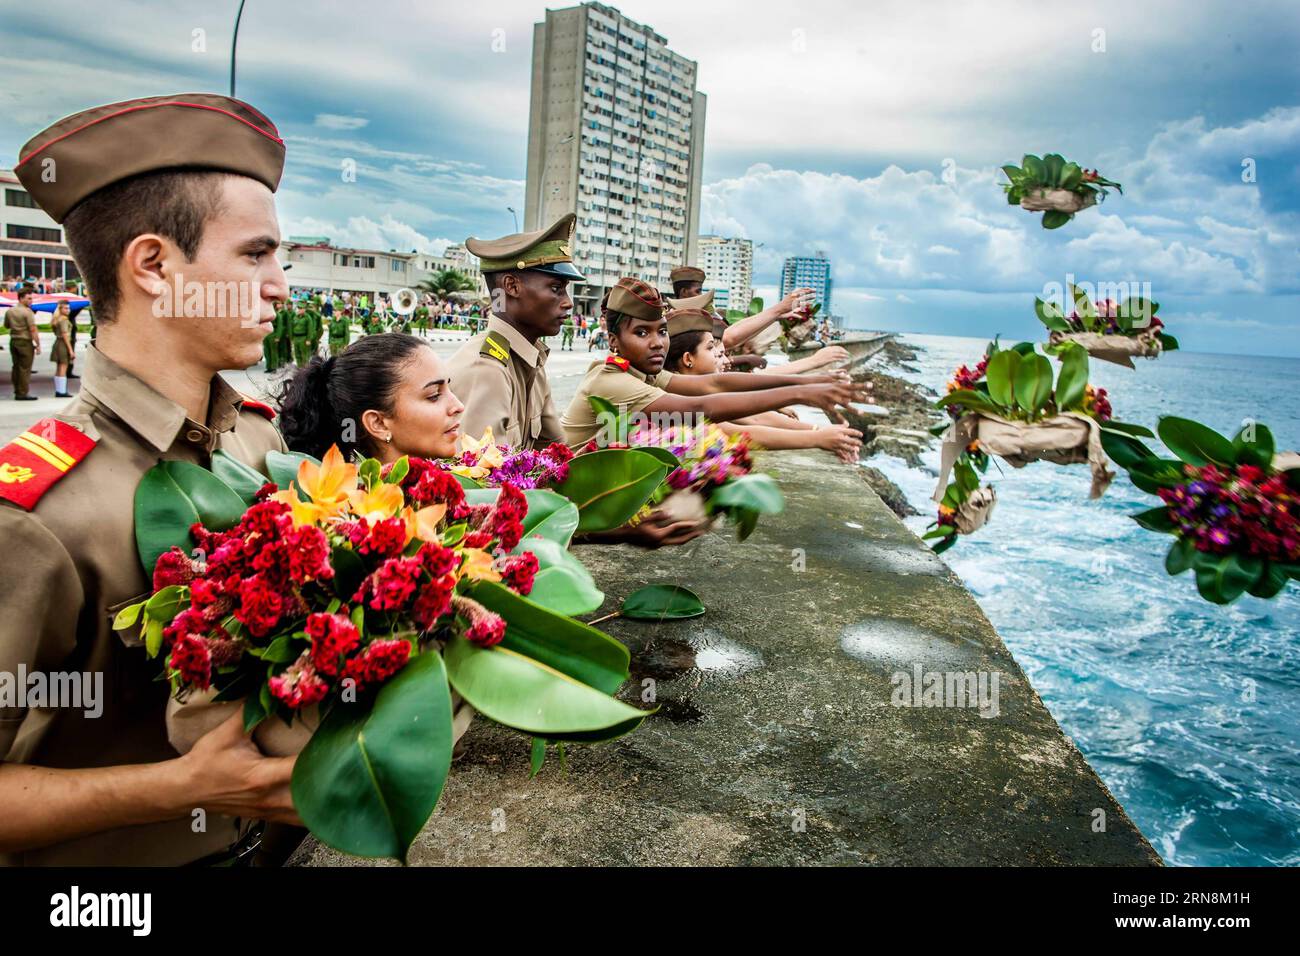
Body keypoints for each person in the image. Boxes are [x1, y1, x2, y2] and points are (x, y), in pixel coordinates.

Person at [0, 92, 300, 866]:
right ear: (155, 266)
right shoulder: (36, 509)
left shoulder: (257, 438)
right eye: (255, 255)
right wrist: (180, 790)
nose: (281, 287)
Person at [560, 278, 870, 449]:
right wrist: (802, 396)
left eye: (662, 331)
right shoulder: (614, 381)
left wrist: (808, 384)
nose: (656, 342)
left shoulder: (641, 374)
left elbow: (714, 384)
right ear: (613, 340)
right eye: (641, 333)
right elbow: (706, 409)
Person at [444, 213, 580, 450]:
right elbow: (478, 481)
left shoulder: (531, 361)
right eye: (556, 288)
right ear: (512, 286)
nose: (568, 302)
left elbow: (559, 455)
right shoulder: (487, 370)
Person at [664, 307, 862, 462]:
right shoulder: (673, 394)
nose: (722, 359)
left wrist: (817, 430)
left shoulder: (688, 385)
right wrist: (817, 437)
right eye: (712, 350)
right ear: (688, 359)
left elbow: (753, 414)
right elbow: (739, 431)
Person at [4, 286, 40, 400]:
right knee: (25, 368)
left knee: (16, 367)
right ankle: (23, 392)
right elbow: (33, 329)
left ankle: (17, 390)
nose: (31, 301)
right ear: (21, 298)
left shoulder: (10, 311)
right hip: (25, 341)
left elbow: (6, 325)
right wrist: (37, 344)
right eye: (28, 298)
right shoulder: (28, 312)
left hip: (14, 340)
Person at [49, 300, 74, 397]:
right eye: (66, 308)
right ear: (60, 309)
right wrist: (71, 350)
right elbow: (65, 335)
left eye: (68, 308)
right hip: (63, 344)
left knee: (59, 367)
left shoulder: (56, 319)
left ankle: (59, 389)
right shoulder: (64, 320)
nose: (68, 310)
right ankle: (62, 391)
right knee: (63, 366)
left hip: (57, 343)